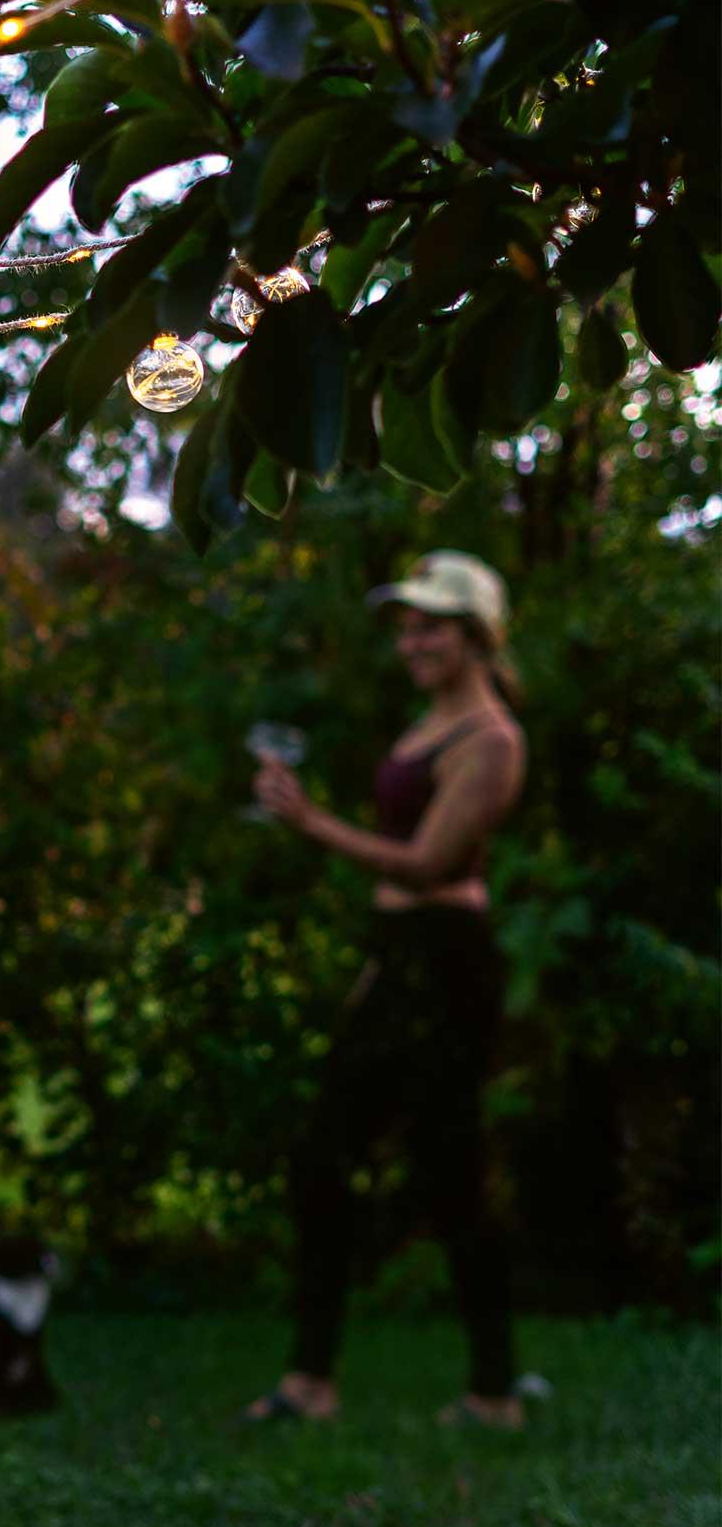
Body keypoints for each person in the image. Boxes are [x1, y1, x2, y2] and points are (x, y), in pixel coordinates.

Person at [244, 552, 529, 1431]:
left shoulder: (491, 741)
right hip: (403, 954)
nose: (412, 640)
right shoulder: (428, 723)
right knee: (328, 1160)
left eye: (431, 624)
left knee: (448, 1177)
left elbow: (428, 864)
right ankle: (314, 1382)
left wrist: (309, 822)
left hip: (446, 960)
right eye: (406, 625)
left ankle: (492, 1391)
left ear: (478, 635)